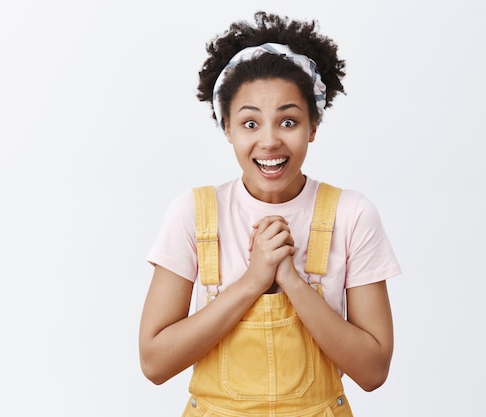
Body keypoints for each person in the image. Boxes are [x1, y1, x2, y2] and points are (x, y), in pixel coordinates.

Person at [139, 11, 401, 416]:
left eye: (289, 120)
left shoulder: (352, 214)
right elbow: (154, 363)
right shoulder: (193, 213)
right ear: (226, 127)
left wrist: (293, 282)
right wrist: (252, 281)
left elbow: (373, 371)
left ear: (313, 124)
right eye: (249, 123)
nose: (269, 141)